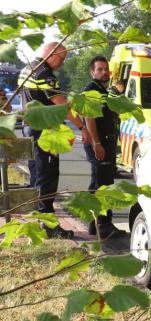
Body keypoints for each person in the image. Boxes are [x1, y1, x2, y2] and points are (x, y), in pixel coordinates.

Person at [18, 41, 91, 238]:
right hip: (45, 132)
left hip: (29, 128)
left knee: (37, 174)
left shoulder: (27, 69)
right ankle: (48, 225)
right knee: (48, 177)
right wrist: (82, 127)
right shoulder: (45, 74)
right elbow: (62, 106)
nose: (62, 63)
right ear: (51, 55)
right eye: (61, 59)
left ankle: (38, 219)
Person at [82, 56, 124, 238]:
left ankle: (95, 224)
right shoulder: (92, 90)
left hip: (105, 142)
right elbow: (89, 118)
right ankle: (104, 224)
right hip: (100, 143)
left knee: (97, 183)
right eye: (99, 69)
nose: (104, 72)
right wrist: (96, 143)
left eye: (106, 69)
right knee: (103, 185)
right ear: (92, 72)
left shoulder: (102, 90)